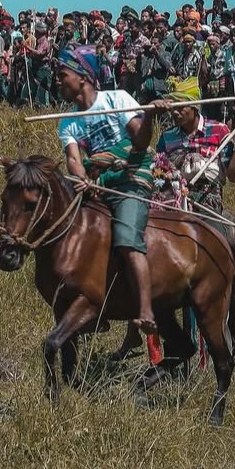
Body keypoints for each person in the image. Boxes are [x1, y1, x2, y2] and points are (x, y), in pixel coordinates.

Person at [56, 45, 161, 333]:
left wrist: (150, 117)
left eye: (62, 74)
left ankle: (145, 310)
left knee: (126, 237)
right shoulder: (67, 123)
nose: (58, 80)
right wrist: (83, 179)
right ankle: (94, 304)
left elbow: (139, 143)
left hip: (130, 181)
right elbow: (74, 161)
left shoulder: (117, 99)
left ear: (83, 76)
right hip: (96, 188)